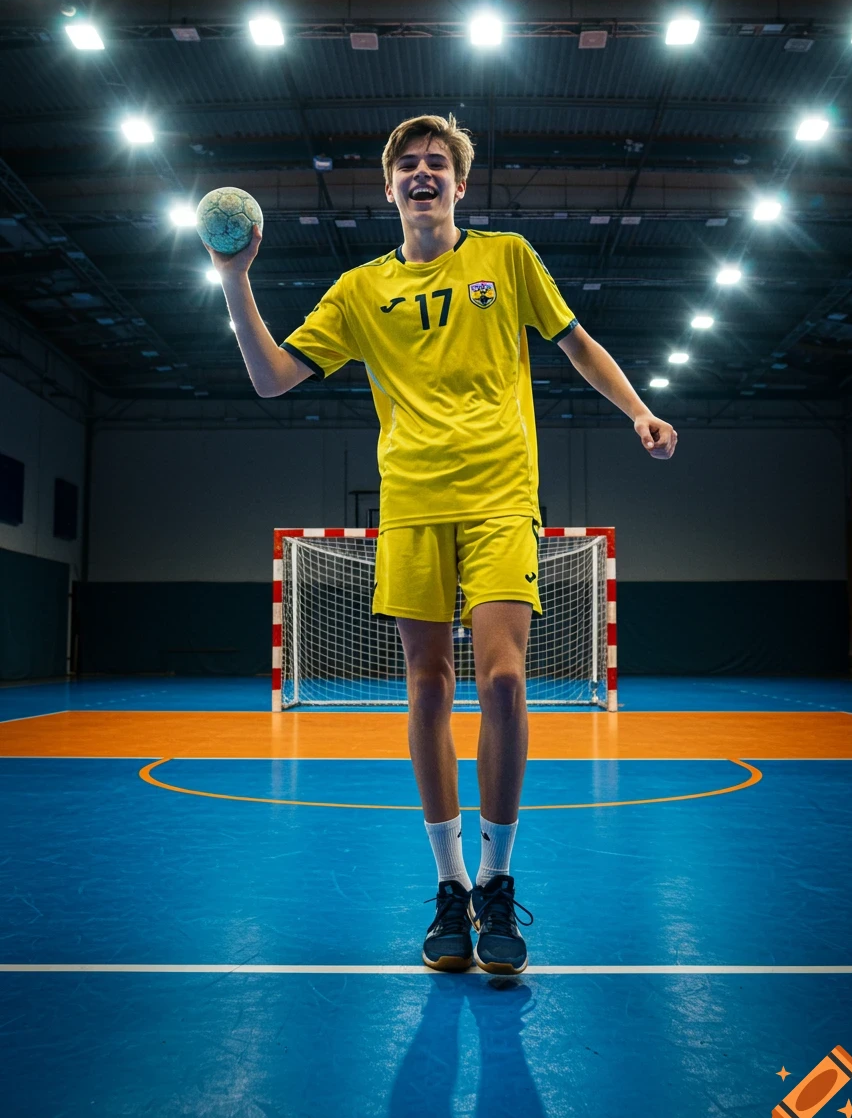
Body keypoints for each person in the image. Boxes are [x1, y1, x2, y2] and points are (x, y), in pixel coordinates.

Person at [204, 114, 677, 976]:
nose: (423, 174)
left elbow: (577, 344)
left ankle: (496, 880)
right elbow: (270, 379)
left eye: (437, 164)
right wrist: (234, 279)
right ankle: (451, 886)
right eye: (408, 165)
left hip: (501, 497)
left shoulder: (508, 259)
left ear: (460, 183)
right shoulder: (360, 291)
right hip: (413, 503)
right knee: (427, 688)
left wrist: (639, 410)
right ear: (389, 186)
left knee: (503, 680)